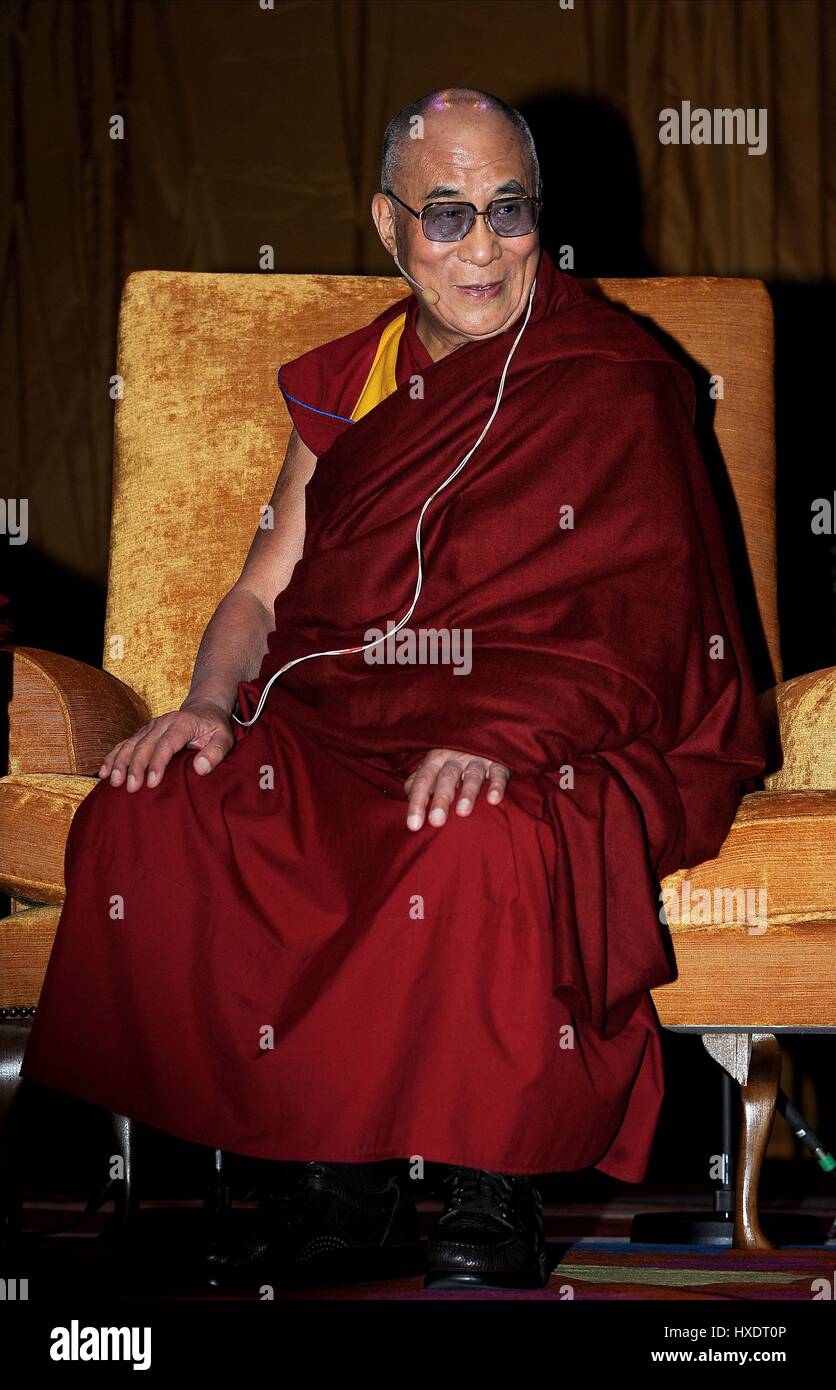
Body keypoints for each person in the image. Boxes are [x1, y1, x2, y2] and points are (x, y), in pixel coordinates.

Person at [20, 87, 766, 1292]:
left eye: (509, 211)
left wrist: (513, 735)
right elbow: (263, 590)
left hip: (552, 730)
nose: (481, 246)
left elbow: (644, 623)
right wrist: (208, 706)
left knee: (473, 828)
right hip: (341, 718)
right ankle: (328, 1177)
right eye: (447, 213)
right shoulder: (356, 379)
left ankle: (489, 1191)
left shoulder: (614, 377)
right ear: (386, 223)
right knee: (164, 807)